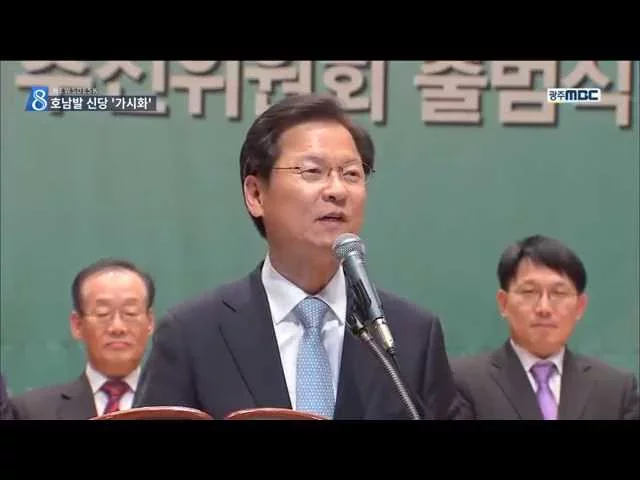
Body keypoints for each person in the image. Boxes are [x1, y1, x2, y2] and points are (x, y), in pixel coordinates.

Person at [134, 93, 459, 420]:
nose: (337, 190)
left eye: (351, 174)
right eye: (313, 171)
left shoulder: (409, 335)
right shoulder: (192, 335)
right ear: (256, 194)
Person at [451, 234, 640, 420]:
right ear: (503, 303)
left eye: (558, 293)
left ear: (580, 307)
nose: (544, 308)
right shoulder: (463, 382)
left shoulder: (616, 390)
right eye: (529, 292)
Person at [11, 258, 155, 420]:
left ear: (150, 322)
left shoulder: (175, 406)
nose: (117, 327)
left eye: (130, 313)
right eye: (103, 314)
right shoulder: (32, 411)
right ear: (77, 325)